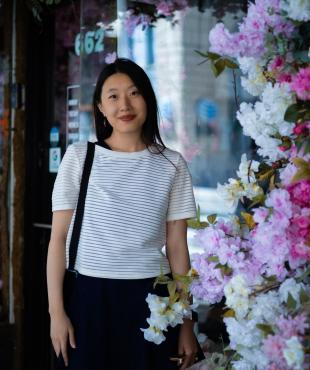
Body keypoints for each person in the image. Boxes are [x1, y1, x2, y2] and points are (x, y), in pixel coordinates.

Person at [47, 58, 203, 370]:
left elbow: (177, 248)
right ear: (101, 107)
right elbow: (58, 239)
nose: (125, 105)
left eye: (134, 93)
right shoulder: (80, 157)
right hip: (89, 297)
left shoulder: (172, 164)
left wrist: (187, 323)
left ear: (148, 99)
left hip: (153, 298)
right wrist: (57, 313)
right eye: (113, 96)